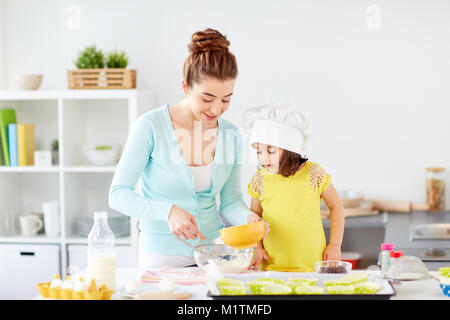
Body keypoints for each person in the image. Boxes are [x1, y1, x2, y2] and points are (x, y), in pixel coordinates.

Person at [108, 28, 264, 269]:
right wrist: (168, 211)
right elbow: (118, 194)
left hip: (215, 255)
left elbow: (230, 201)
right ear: (185, 86)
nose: (216, 109)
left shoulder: (231, 135)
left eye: (226, 99)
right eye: (207, 98)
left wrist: (250, 220)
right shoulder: (151, 126)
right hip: (160, 260)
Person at [245, 104, 345, 272]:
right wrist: (257, 247)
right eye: (259, 152)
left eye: (271, 151)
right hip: (271, 268)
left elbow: (336, 206)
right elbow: (255, 217)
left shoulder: (314, 173)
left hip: (312, 267)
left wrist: (334, 245)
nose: (263, 158)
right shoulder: (259, 180)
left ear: (291, 150)